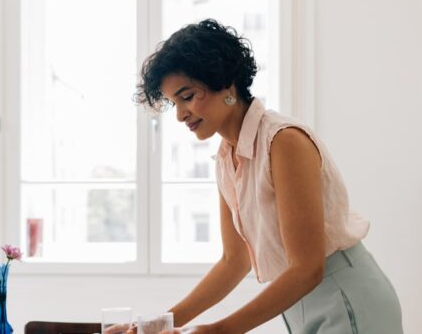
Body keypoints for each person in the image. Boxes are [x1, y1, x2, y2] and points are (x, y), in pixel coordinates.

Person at [130, 19, 403, 334]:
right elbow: (235, 261)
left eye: (188, 96)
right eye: (174, 103)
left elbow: (308, 267)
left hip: (344, 296)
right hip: (300, 303)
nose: (179, 114)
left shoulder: (283, 142)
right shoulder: (226, 157)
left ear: (226, 83)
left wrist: (219, 330)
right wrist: (157, 325)